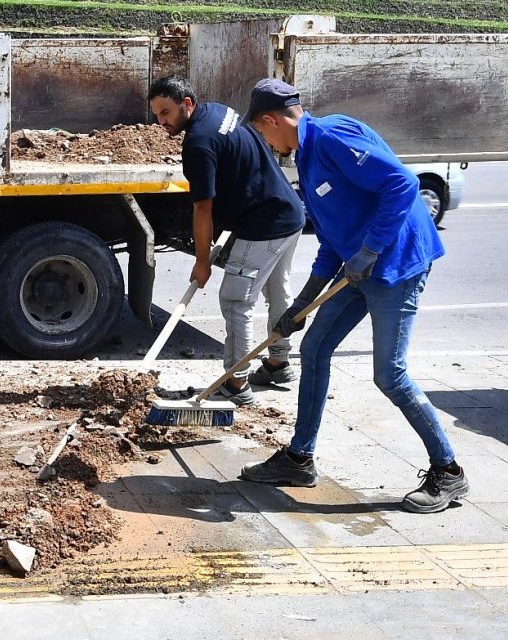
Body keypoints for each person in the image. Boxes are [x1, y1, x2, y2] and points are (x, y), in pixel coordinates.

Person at [240, 78, 467, 513]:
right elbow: (332, 240)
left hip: (396, 265)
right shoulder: (306, 158)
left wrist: (370, 250)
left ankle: (449, 471)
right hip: (359, 268)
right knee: (314, 348)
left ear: (271, 120)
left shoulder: (331, 137)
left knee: (390, 375)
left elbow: (402, 184)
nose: (268, 143)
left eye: (263, 133)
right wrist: (302, 303)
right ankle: (299, 459)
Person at [147, 75, 306, 405]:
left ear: (186, 104)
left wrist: (202, 261)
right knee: (277, 288)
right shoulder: (219, 111)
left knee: (236, 300)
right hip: (288, 211)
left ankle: (235, 382)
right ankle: (278, 362)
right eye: (157, 115)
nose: (161, 122)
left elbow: (203, 207)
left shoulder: (197, 144)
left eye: (165, 113)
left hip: (263, 224)